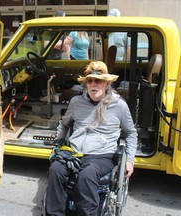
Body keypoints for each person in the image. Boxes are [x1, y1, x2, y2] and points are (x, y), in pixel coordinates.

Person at [45, 61, 137, 215]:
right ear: (86, 84)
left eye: (98, 81)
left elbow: (131, 133)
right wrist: (57, 144)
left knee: (86, 176)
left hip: (102, 155)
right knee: (55, 170)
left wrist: (130, 160)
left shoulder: (119, 105)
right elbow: (64, 124)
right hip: (74, 152)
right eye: (90, 80)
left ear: (107, 84)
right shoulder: (76, 102)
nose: (93, 84)